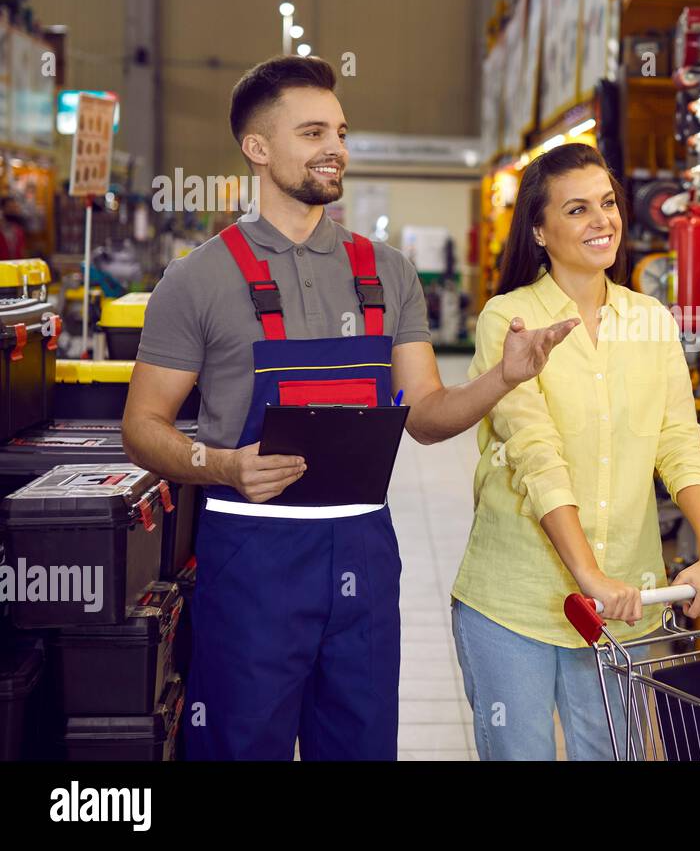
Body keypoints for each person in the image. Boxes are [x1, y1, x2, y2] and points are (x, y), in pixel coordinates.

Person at [122, 55, 577, 760]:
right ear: (258, 148)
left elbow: (426, 415)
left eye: (339, 129)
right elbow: (141, 427)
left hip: (363, 561)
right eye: (312, 132)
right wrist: (221, 464)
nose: (335, 146)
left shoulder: (386, 272)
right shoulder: (198, 278)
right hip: (250, 565)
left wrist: (503, 379)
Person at [451, 142, 700, 760]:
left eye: (607, 203)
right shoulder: (511, 318)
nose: (601, 220)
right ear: (540, 230)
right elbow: (536, 455)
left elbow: (681, 445)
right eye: (576, 209)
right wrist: (590, 578)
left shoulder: (651, 319)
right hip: (514, 598)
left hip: (625, 604)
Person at [0, 195, 28, 260]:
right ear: (2, 209)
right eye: (10, 207)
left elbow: (22, 251)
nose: (13, 210)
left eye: (15, 207)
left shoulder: (19, 229)